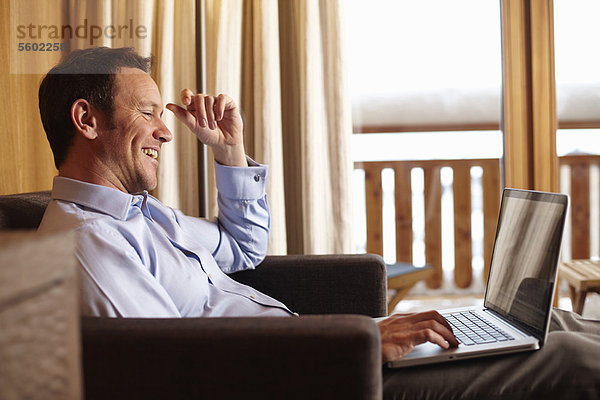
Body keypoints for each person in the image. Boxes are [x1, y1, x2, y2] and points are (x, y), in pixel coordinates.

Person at [36, 46, 458, 364]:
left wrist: (230, 151)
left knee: (474, 345)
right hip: (314, 373)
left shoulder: (144, 213)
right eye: (147, 112)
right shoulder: (85, 243)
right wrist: (357, 347)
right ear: (86, 120)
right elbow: (174, 368)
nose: (166, 132)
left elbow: (244, 249)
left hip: (314, 353)